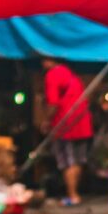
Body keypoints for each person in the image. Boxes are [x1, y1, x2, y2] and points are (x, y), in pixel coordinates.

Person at [42, 57, 93, 206]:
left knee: (67, 162)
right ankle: (75, 194)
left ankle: (73, 195)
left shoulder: (52, 75)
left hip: (65, 126)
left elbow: (53, 103)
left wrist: (46, 121)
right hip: (82, 124)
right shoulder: (72, 74)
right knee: (77, 161)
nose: (42, 62)